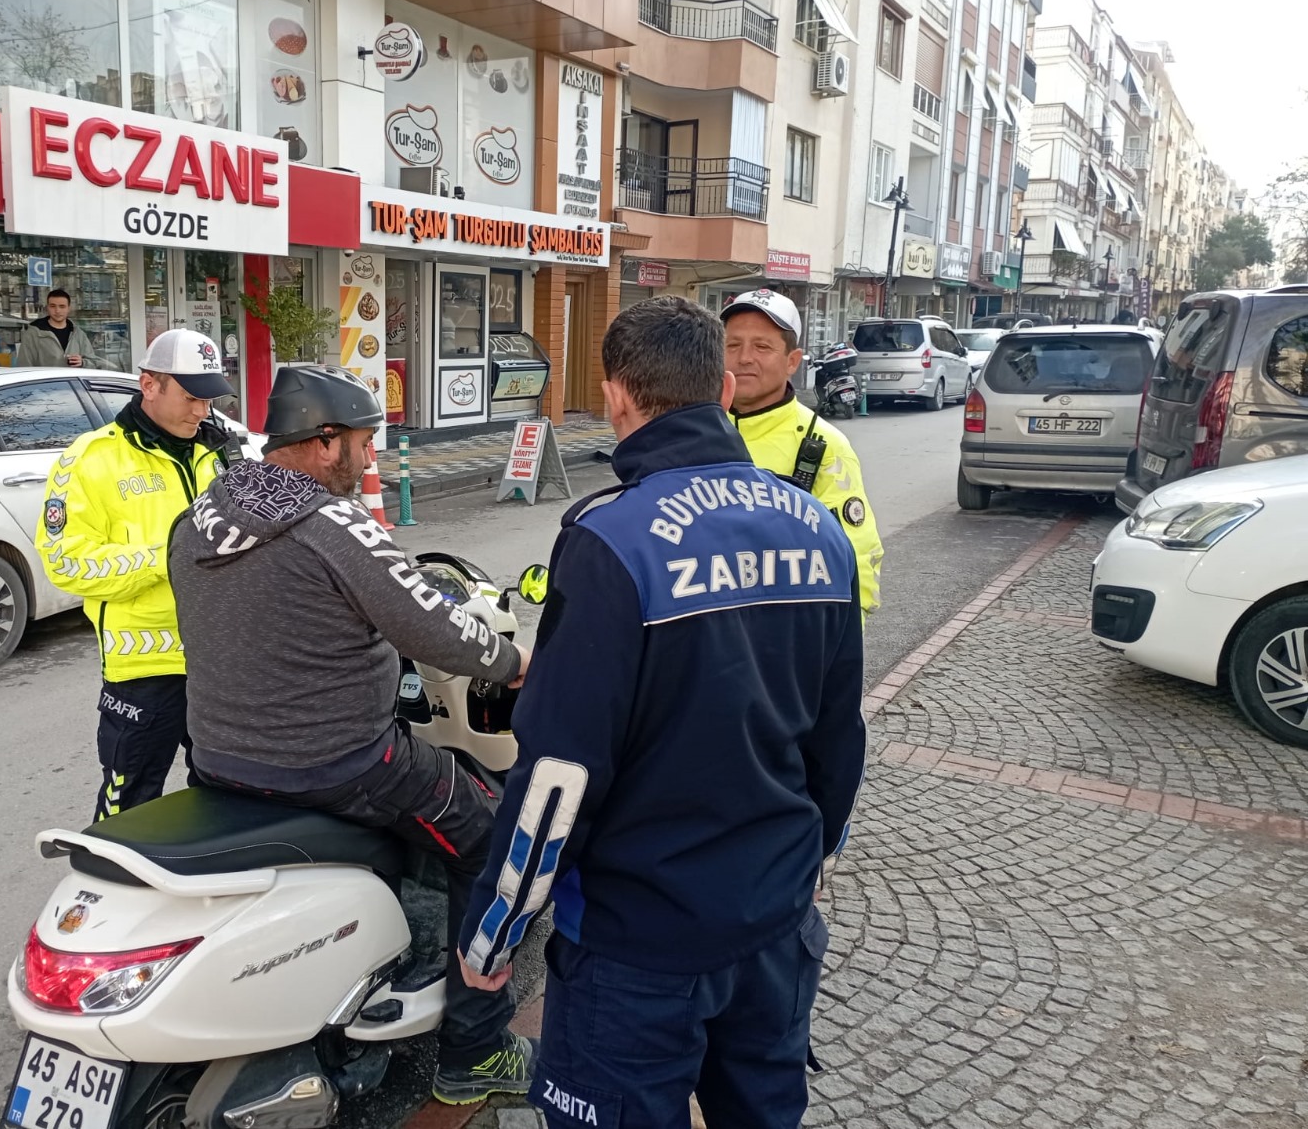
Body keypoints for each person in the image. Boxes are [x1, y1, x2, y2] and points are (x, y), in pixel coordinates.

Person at [457, 296, 867, 1128]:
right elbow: (838, 739)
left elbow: (560, 776)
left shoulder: (612, 539)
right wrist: (802, 866)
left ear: (616, 396)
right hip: (774, 925)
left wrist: (493, 936)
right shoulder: (819, 529)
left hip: (638, 945)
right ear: (720, 385)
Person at [167, 365, 536, 1106]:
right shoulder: (332, 526)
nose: (369, 461)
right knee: (492, 845)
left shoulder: (206, 510)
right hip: (339, 762)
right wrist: (516, 662)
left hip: (217, 758)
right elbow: (436, 629)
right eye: (364, 444)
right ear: (325, 439)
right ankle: (475, 1050)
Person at [34, 328, 233, 821]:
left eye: (209, 399)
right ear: (149, 384)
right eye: (190, 398)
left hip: (223, 662)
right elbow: (65, 561)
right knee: (130, 804)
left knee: (225, 794)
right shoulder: (90, 460)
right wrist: (168, 555)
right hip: (145, 670)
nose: (201, 412)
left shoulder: (224, 452)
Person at [719, 289, 885, 618]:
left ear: (792, 361)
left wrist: (835, 654)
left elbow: (858, 559)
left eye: (762, 346)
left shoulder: (823, 447)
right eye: (732, 345)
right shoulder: (693, 429)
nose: (744, 358)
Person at [16, 289, 103, 369]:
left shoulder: (78, 334)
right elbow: (24, 366)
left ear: (68, 308)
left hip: (73, 385)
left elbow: (94, 362)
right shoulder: (33, 334)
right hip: (46, 385)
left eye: (62, 306)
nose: (57, 311)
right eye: (53, 306)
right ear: (47, 308)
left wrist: (83, 363)